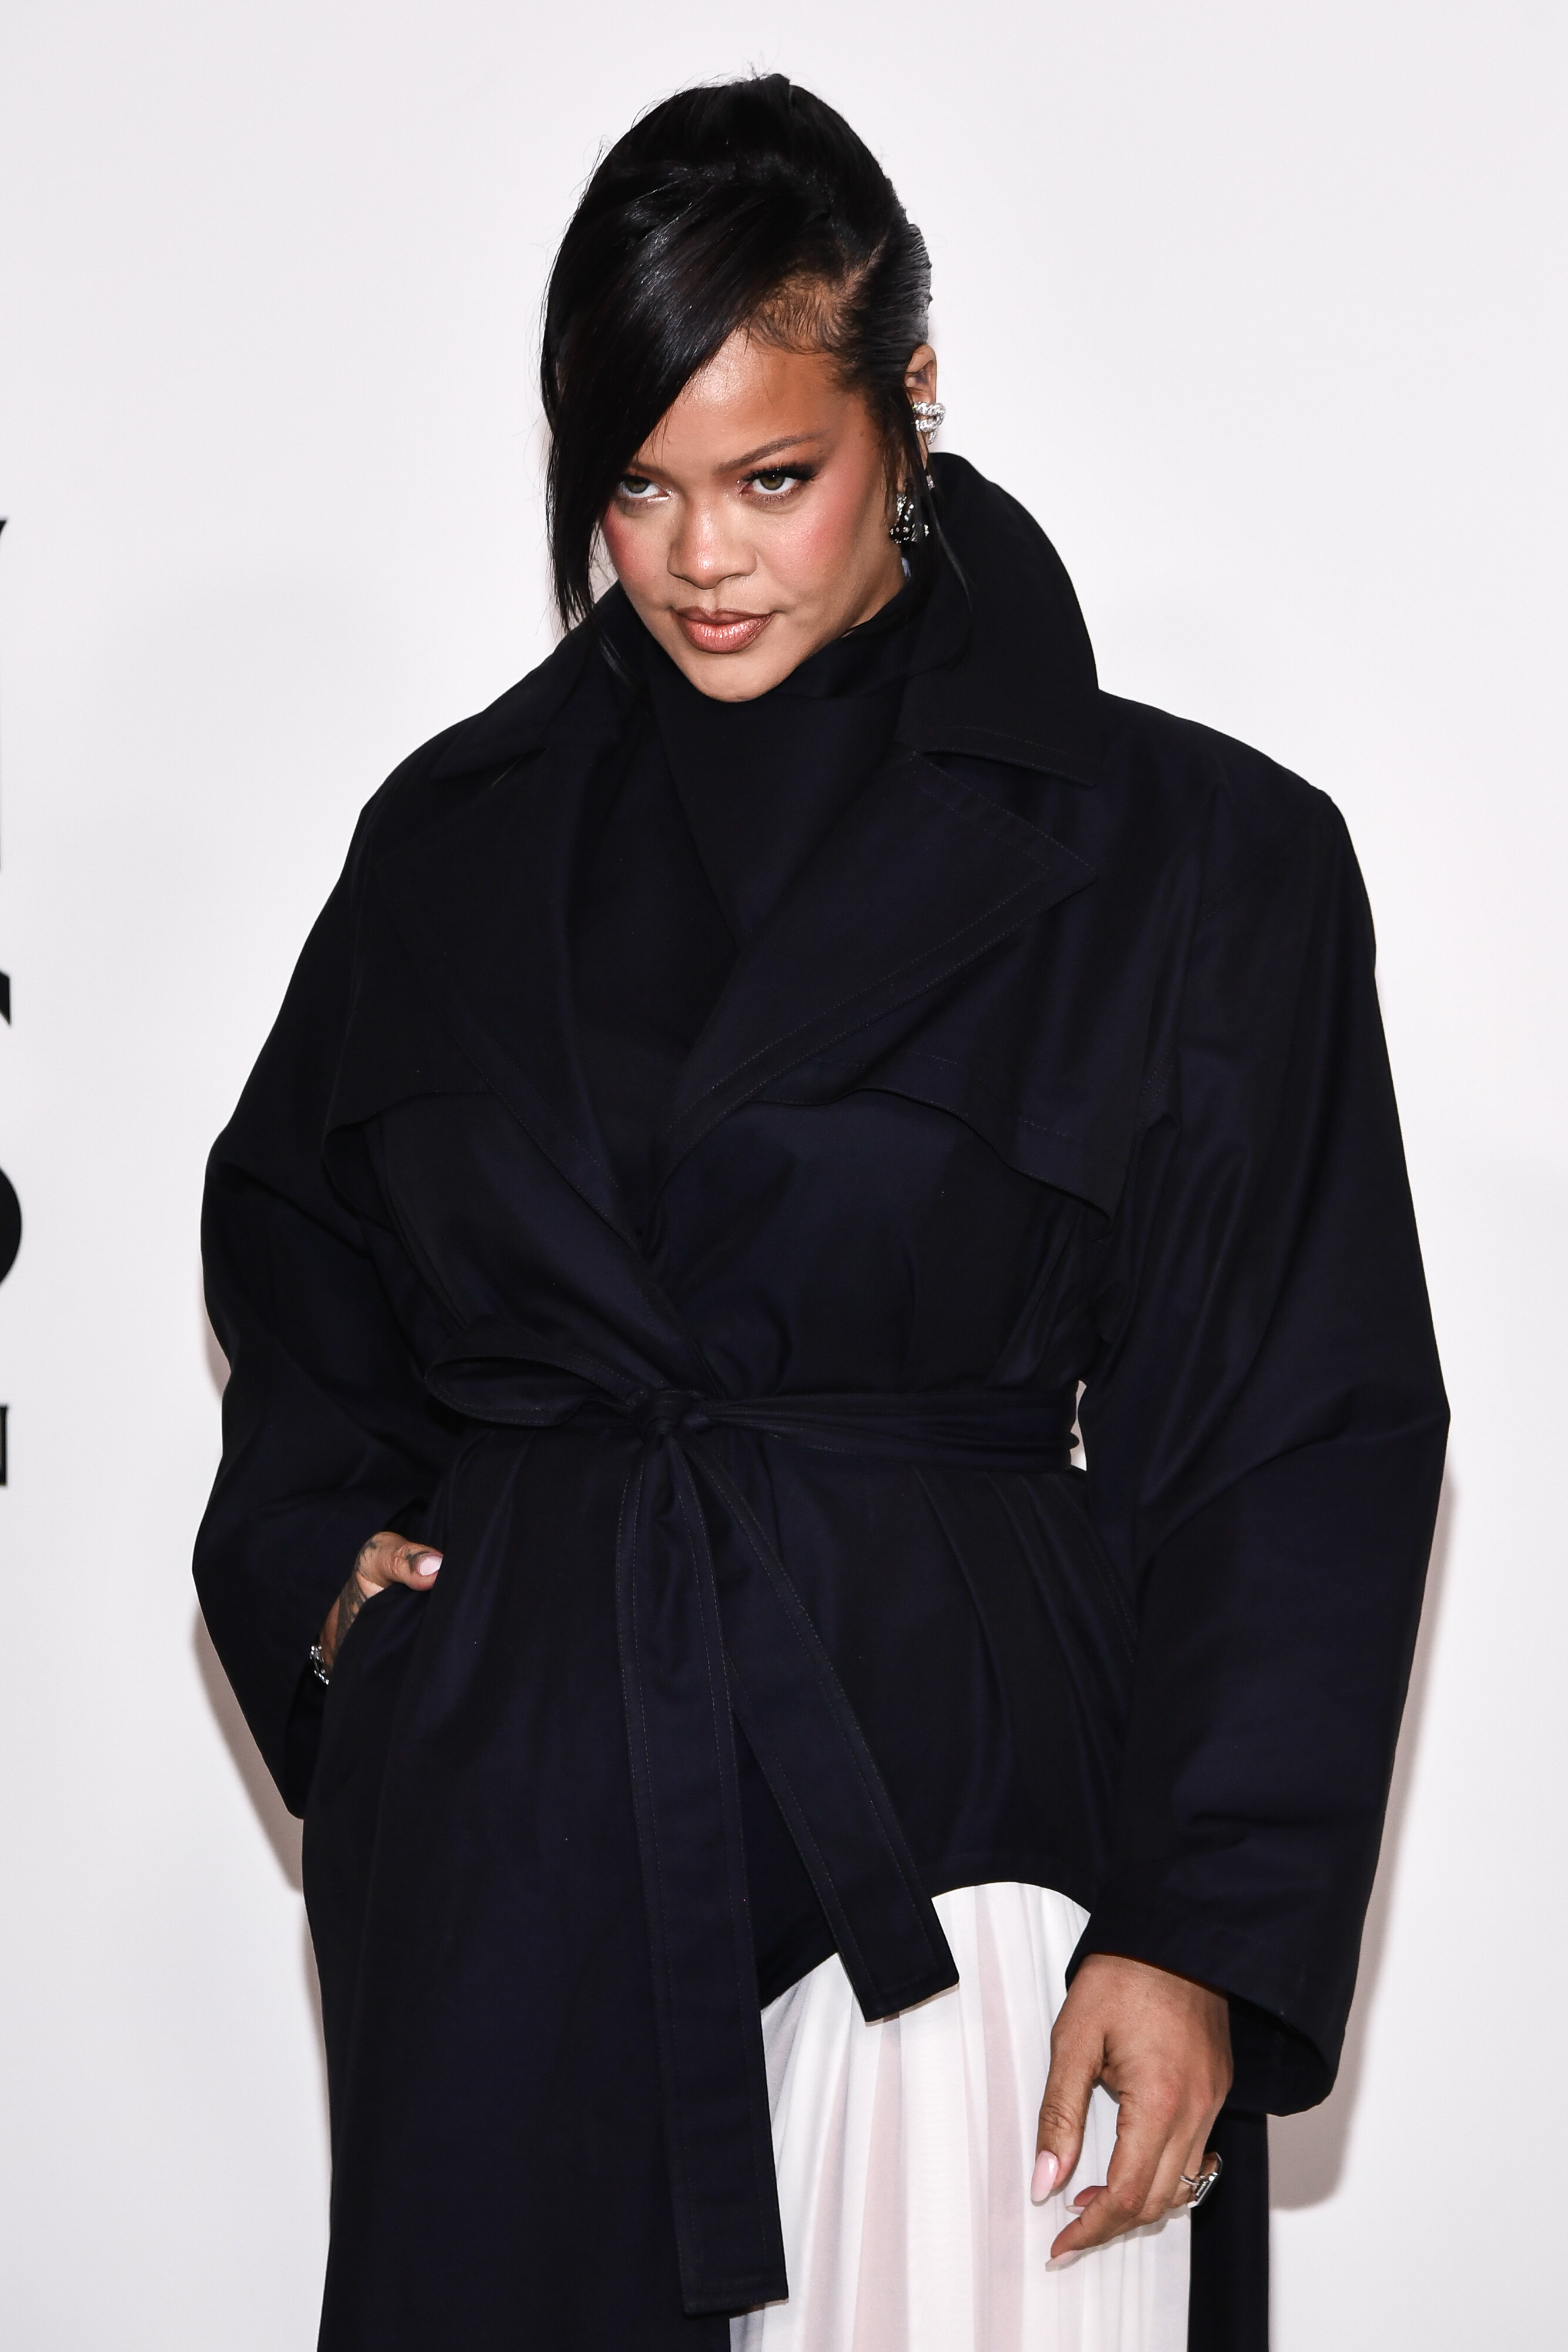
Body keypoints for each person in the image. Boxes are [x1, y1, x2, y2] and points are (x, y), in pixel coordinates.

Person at [195, 74, 1447, 2352]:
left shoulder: (1186, 854)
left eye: (772, 476)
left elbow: (1295, 1423)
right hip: (521, 1833)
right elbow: (300, 1266)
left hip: (964, 1835)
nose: (698, 557)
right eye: (636, 484)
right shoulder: (449, 843)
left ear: (910, 399)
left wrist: (1197, 1923)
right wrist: (338, 1603)